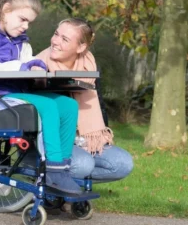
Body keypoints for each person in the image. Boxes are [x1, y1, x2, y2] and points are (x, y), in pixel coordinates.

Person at [0, 0, 82, 194]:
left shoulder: (18, 37)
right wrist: (20, 66)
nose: (26, 26)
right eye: (23, 19)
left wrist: (36, 66)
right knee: (49, 107)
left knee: (69, 105)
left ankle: (63, 167)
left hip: (17, 92)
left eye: (29, 22)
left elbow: (26, 61)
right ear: (6, 9)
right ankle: (53, 171)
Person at [36, 18, 134, 182]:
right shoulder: (38, 66)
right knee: (83, 164)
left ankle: (65, 183)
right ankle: (56, 187)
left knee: (123, 163)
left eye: (65, 39)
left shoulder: (89, 66)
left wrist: (95, 139)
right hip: (53, 141)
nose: (55, 41)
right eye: (56, 34)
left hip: (84, 139)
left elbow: (99, 105)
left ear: (81, 47)